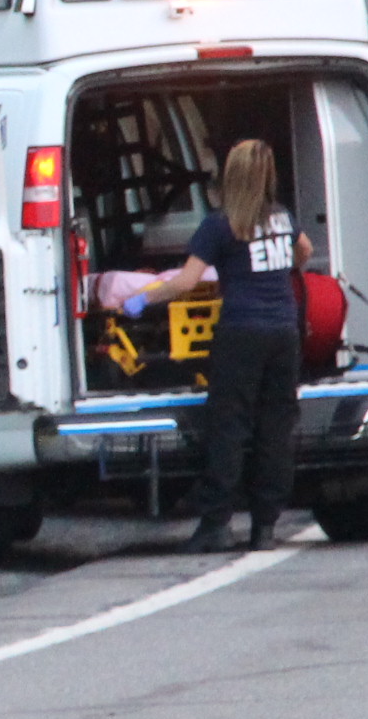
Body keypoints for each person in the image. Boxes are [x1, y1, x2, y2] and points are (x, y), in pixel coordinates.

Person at [133, 140, 312, 551]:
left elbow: (185, 282)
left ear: (232, 175)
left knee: (229, 427)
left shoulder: (220, 224)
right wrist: (279, 271)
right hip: (284, 332)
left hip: (241, 332)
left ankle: (216, 524)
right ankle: (264, 527)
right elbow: (305, 250)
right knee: (275, 428)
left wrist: (142, 299)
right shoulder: (282, 217)